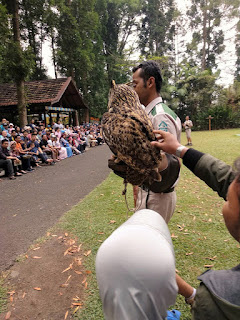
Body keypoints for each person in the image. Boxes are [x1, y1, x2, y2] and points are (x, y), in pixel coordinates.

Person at [152, 130, 240, 319]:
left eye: (229, 201)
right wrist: (179, 149)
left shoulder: (219, 300)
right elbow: (224, 178)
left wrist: (196, 297)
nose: (227, 190)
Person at [96, 209, 178, 320]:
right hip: (158, 248)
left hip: (109, 250)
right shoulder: (157, 252)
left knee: (115, 312)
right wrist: (191, 295)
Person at [131, 61, 181, 223]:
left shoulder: (159, 116)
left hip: (157, 195)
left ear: (150, 82)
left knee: (148, 244)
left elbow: (167, 162)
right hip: (150, 192)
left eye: (135, 84)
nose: (133, 89)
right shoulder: (149, 113)